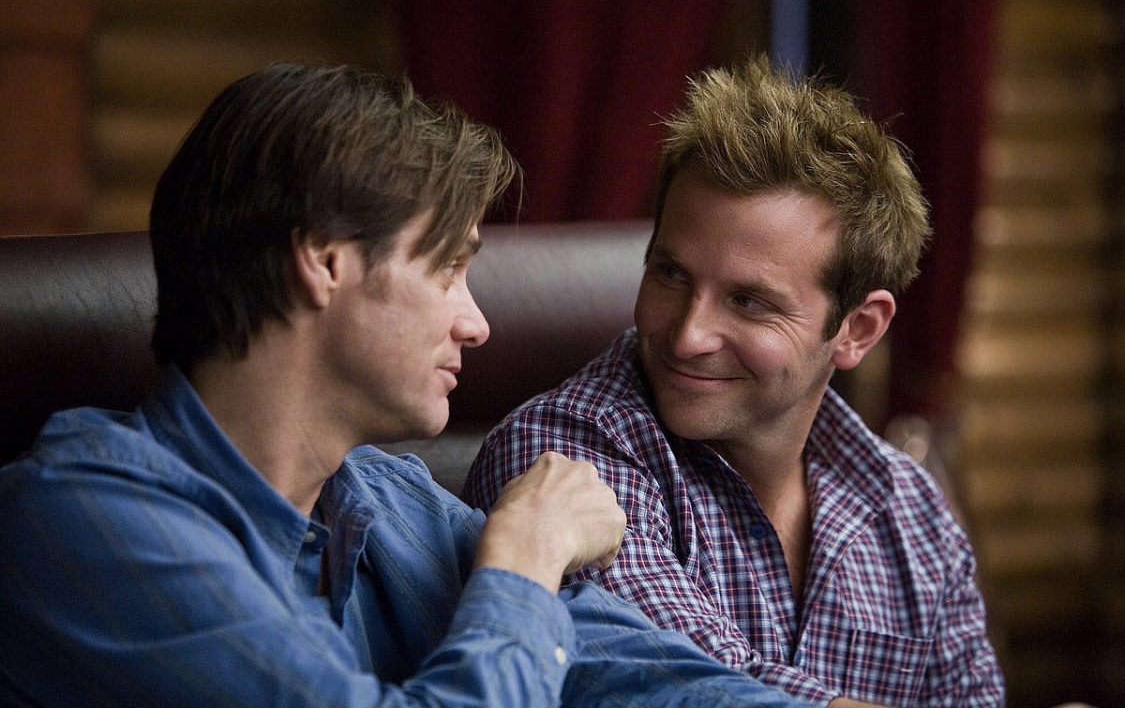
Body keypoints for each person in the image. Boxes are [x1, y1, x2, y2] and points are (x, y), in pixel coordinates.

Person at [0, 63, 807, 707]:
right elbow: (524, 601)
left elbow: (625, 667)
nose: (475, 322)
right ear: (325, 262)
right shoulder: (76, 518)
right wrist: (526, 554)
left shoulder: (383, 495)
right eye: (449, 267)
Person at [463, 55, 1005, 707]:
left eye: (749, 302)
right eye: (670, 274)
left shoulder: (914, 514)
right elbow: (702, 690)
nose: (687, 335)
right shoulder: (559, 455)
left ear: (857, 330)